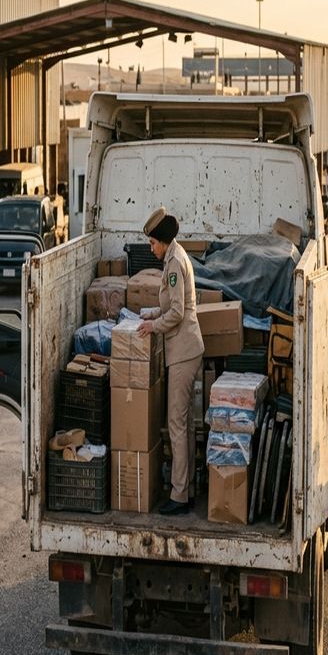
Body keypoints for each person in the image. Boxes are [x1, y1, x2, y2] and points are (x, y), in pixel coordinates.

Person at [137, 207, 205, 516]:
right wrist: (150, 314)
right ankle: (186, 488)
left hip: (183, 351)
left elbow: (177, 312)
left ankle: (178, 496)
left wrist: (153, 326)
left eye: (152, 243)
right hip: (187, 349)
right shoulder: (173, 258)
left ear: (162, 241)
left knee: (176, 424)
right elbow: (173, 305)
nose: (151, 249)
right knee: (185, 425)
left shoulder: (175, 263)